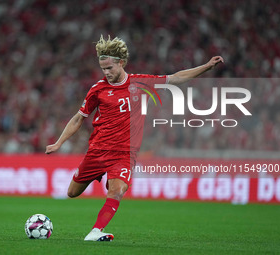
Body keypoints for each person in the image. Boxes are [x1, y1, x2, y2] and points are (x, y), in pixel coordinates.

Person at [45, 35, 224, 241]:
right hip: (98, 150)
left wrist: (207, 67)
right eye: (103, 69)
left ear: (121, 63)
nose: (106, 73)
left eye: (110, 68)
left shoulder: (141, 83)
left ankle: (95, 232)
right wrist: (59, 142)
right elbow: (78, 118)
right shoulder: (98, 89)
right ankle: (98, 187)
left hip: (124, 153)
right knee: (72, 192)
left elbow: (175, 78)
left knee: (118, 189)